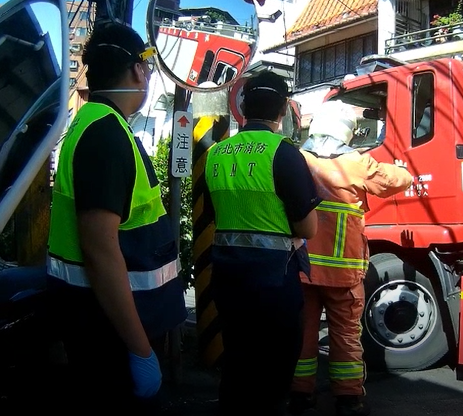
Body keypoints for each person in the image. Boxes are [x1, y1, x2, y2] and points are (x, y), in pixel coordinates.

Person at [46, 22, 188, 415]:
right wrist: (140, 350)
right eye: (146, 68)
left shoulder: (97, 124)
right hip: (111, 334)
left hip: (101, 324)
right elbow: (100, 250)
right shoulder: (105, 135)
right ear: (136, 71)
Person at [203, 71, 321, 415]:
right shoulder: (284, 154)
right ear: (283, 109)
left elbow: (214, 215)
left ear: (242, 106)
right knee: (272, 377)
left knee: (237, 365)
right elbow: (308, 228)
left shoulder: (216, 155)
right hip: (274, 285)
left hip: (226, 280)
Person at [289, 100, 413, 416]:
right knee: (345, 335)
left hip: (302, 269)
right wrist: (404, 168)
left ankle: (300, 395)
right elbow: (395, 181)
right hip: (343, 274)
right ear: (348, 132)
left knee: (302, 334)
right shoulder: (357, 163)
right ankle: (348, 399)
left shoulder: (298, 160)